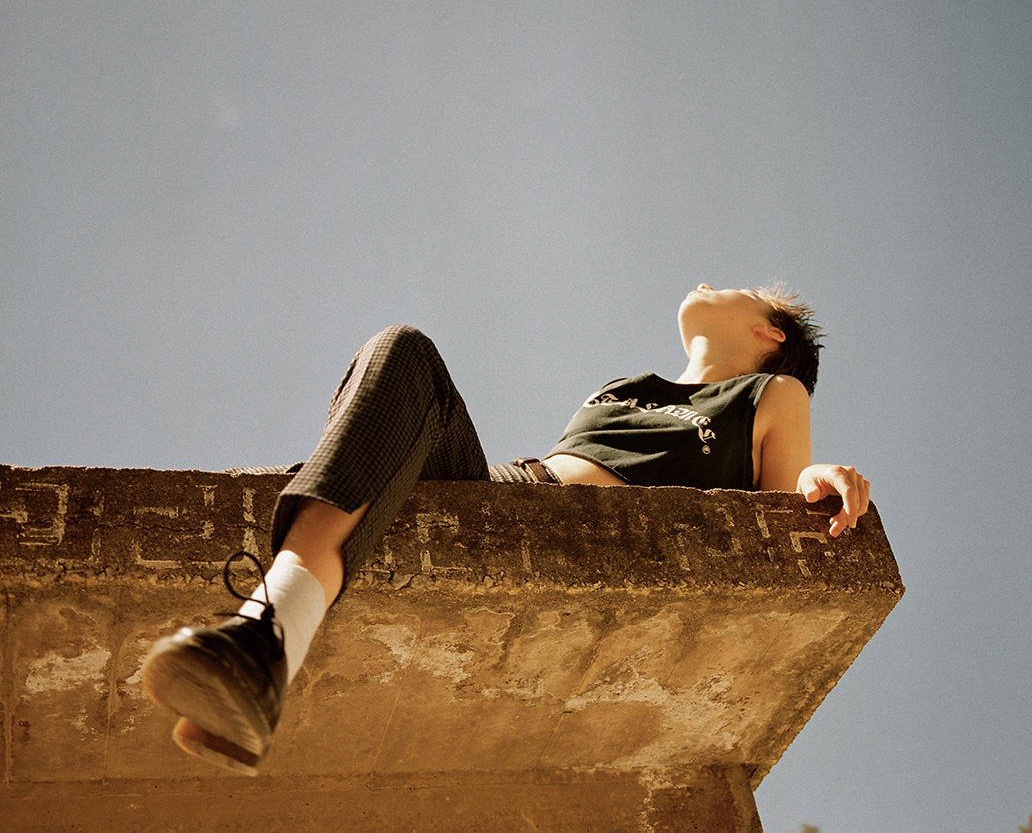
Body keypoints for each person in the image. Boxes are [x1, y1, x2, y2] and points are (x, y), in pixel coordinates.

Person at [141, 283, 870, 776]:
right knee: (382, 371)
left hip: (560, 515)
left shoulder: (773, 390)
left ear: (768, 331)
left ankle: (268, 634)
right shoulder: (625, 387)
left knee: (379, 401)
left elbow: (778, 504)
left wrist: (815, 474)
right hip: (504, 481)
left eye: (739, 288)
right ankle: (255, 650)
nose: (708, 282)